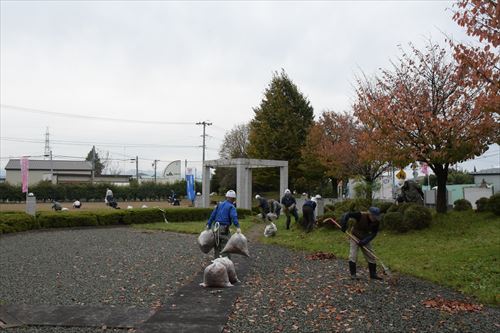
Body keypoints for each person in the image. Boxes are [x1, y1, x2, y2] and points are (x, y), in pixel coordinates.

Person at [340, 207, 382, 280]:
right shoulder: (360, 215)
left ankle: (373, 274)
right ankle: (353, 275)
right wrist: (344, 225)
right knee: (353, 255)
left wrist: (365, 241)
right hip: (355, 236)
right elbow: (346, 214)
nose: (375, 218)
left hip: (365, 237)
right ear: (369, 214)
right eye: (374, 216)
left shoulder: (376, 221)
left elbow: (373, 233)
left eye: (376, 217)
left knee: (371, 255)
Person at [206, 190, 241, 259]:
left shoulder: (219, 205)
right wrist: (237, 227)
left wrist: (208, 224)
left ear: (226, 197)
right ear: (233, 199)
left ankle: (216, 264)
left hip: (215, 228)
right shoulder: (231, 207)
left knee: (217, 246)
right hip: (224, 229)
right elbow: (234, 217)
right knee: (226, 246)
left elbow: (213, 215)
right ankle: (225, 264)